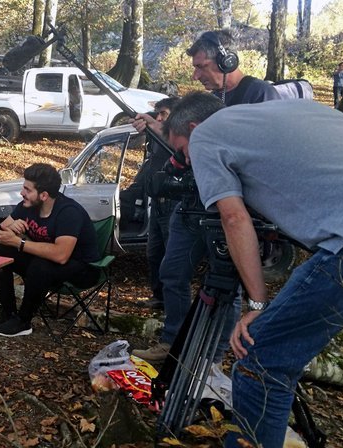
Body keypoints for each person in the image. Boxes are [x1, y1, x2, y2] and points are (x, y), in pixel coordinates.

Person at [162, 91, 343, 447]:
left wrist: (257, 305)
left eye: (182, 151)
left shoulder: (205, 136)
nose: (187, 162)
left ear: (194, 129)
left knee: (258, 363)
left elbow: (233, 217)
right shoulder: (280, 111)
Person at [133, 29, 278, 363]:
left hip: (233, 209)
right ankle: (173, 344)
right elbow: (188, 148)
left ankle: (213, 358)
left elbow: (261, 154)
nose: (196, 75)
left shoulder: (259, 94)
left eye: (202, 65)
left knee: (228, 284)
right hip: (194, 204)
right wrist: (158, 130)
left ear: (227, 60)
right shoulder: (201, 101)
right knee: (172, 272)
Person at [0, 163, 100, 338]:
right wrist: (12, 227)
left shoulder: (68, 212)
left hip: (81, 268)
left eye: (27, 190)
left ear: (44, 195)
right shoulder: (27, 205)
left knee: (40, 266)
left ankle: (23, 321)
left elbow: (61, 255)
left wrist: (20, 242)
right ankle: (8, 313)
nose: (22, 193)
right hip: (44, 261)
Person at [131, 96, 180, 310]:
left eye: (164, 115)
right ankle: (159, 297)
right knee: (154, 254)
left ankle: (172, 303)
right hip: (156, 203)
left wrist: (153, 124)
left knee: (172, 257)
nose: (159, 118)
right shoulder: (158, 133)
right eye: (157, 114)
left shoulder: (179, 139)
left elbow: (174, 145)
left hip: (173, 204)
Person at [188, 30, 280, 106]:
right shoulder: (212, 100)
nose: (195, 76)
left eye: (201, 67)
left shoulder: (261, 93)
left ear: (226, 62)